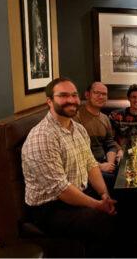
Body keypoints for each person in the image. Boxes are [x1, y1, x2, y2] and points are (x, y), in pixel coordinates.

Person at [21, 78, 117, 257]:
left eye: (74, 95)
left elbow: (90, 165)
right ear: (49, 101)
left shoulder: (78, 129)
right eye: (63, 95)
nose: (72, 100)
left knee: (126, 193)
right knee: (102, 220)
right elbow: (61, 190)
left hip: (78, 191)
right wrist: (98, 205)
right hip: (50, 207)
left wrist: (105, 195)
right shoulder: (42, 137)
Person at [73, 81, 123, 189]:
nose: (101, 97)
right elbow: (76, 153)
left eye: (104, 94)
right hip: (87, 169)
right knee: (121, 181)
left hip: (105, 162)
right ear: (87, 95)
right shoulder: (76, 118)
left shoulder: (105, 118)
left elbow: (110, 143)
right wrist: (100, 166)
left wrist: (110, 163)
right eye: (97, 93)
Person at [109, 84, 137, 148]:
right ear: (128, 98)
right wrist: (119, 150)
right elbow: (110, 139)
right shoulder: (116, 115)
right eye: (133, 97)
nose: (136, 100)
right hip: (122, 151)